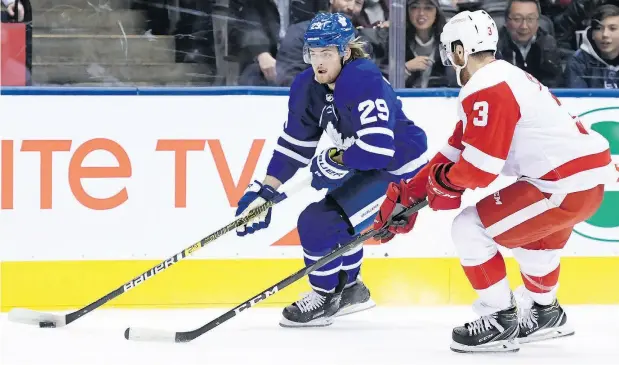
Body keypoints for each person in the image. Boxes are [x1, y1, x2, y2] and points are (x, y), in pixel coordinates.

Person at [373, 10, 616, 353]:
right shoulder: (503, 77)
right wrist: (407, 193)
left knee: (469, 228)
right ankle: (546, 313)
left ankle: (500, 317)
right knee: (535, 244)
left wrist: (443, 186)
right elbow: (455, 152)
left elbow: (479, 169)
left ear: (459, 51)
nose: (449, 60)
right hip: (580, 185)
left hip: (561, 186)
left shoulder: (487, 87)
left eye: (449, 51)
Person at [234, 12, 429, 328]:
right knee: (336, 221)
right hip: (367, 165)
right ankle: (351, 289)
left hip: (402, 172)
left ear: (345, 52)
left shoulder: (362, 78)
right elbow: (293, 147)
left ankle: (325, 296)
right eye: (313, 52)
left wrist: (336, 161)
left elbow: (379, 148)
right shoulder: (307, 86)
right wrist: (265, 191)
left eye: (327, 52)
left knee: (317, 223)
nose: (319, 61)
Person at [564, 4, 619, 88]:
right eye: (599, 28)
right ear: (592, 34)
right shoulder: (577, 62)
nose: (605, 34)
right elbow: (579, 99)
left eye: (612, 28)